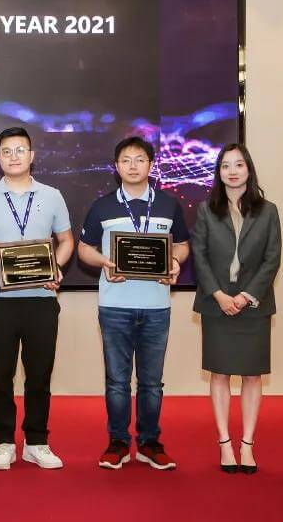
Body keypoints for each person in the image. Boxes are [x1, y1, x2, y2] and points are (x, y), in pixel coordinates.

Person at [0, 127, 74, 470]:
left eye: (20, 150)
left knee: (39, 374)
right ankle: (3, 442)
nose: (14, 157)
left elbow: (66, 241)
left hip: (41, 298)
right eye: (7, 151)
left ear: (32, 155)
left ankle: (37, 442)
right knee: (0, 375)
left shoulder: (52, 196)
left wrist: (57, 267)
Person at [77, 136, 189, 471]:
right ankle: (118, 443)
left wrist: (175, 261)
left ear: (151, 165)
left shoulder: (168, 204)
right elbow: (84, 249)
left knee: (152, 383)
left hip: (156, 307)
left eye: (140, 159)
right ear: (116, 167)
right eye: (126, 160)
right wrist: (103, 262)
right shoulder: (102, 206)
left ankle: (150, 443)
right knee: (117, 382)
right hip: (115, 306)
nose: (133, 165)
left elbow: (182, 244)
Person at [191, 144, 281, 475]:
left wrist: (245, 296)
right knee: (220, 373)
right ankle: (225, 444)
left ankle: (247, 445)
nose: (232, 171)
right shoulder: (206, 210)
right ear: (218, 172)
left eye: (239, 165)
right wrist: (218, 294)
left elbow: (272, 258)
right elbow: (199, 255)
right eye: (225, 165)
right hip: (216, 305)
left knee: (252, 375)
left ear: (248, 169)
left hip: (253, 306)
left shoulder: (268, 210)